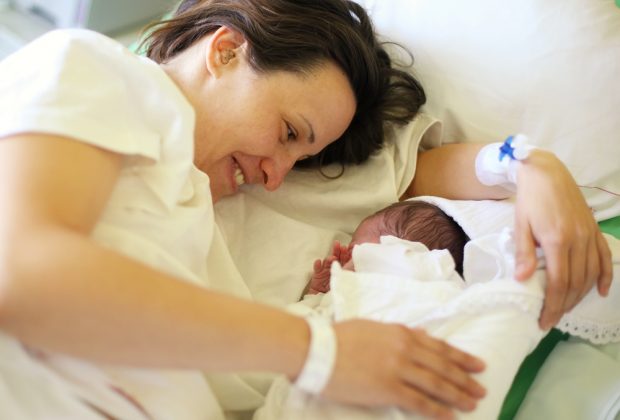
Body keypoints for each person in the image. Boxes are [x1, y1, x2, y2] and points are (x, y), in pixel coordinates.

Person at [0, 0, 611, 418]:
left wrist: (528, 163)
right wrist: (322, 352)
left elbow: (408, 175)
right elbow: (23, 276)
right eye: (289, 133)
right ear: (226, 52)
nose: (275, 176)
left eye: (301, 158)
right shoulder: (94, 68)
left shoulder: (213, 188)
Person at [307, 200, 469, 295]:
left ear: (395, 245)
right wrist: (320, 292)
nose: (349, 251)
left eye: (355, 246)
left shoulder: (421, 273)